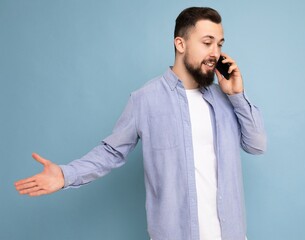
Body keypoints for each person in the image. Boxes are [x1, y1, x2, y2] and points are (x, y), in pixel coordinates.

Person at [15, 7, 266, 240]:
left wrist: (237, 95)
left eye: (219, 44)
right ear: (180, 43)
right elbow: (112, 152)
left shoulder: (225, 98)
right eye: (207, 42)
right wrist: (65, 174)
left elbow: (257, 145)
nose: (216, 53)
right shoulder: (146, 99)